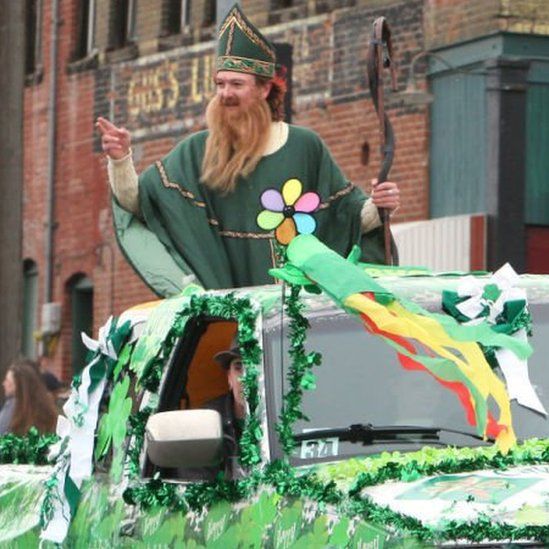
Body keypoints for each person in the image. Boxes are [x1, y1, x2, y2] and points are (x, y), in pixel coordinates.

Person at [96, 4, 400, 295]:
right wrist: (121, 159)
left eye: (236, 85)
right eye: (220, 84)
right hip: (229, 325)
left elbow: (346, 220)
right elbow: (140, 205)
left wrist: (380, 205)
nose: (225, 94)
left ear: (264, 89)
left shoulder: (305, 147)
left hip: (300, 319)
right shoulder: (196, 152)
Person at [0, 360, 59, 436]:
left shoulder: (13, 406)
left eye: (7, 381)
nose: (3, 383)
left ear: (17, 385)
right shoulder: (43, 406)